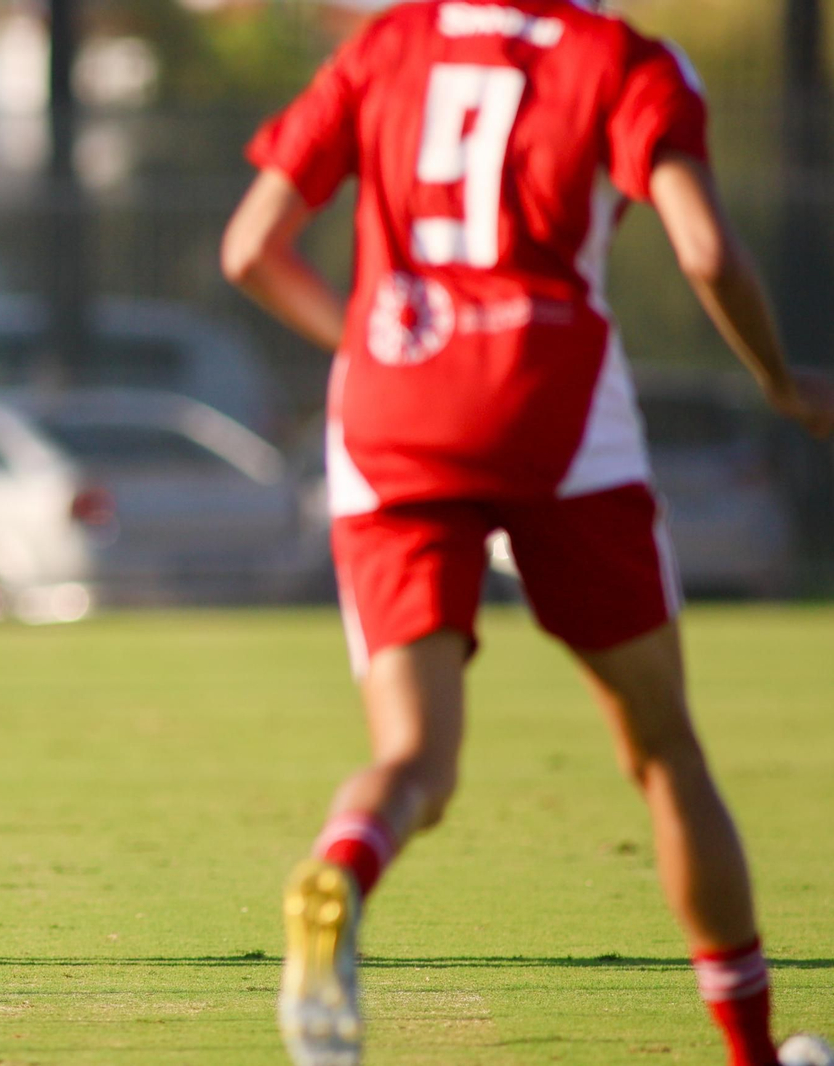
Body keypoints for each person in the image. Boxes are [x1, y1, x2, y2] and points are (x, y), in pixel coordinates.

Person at [221, 2, 834, 1063]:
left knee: (413, 757)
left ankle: (339, 870)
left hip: (388, 416)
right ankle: (749, 1049)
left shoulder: (388, 42)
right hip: (552, 410)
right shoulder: (623, 60)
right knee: (661, 746)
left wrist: (372, 348)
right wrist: (780, 380)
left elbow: (248, 249)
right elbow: (701, 244)